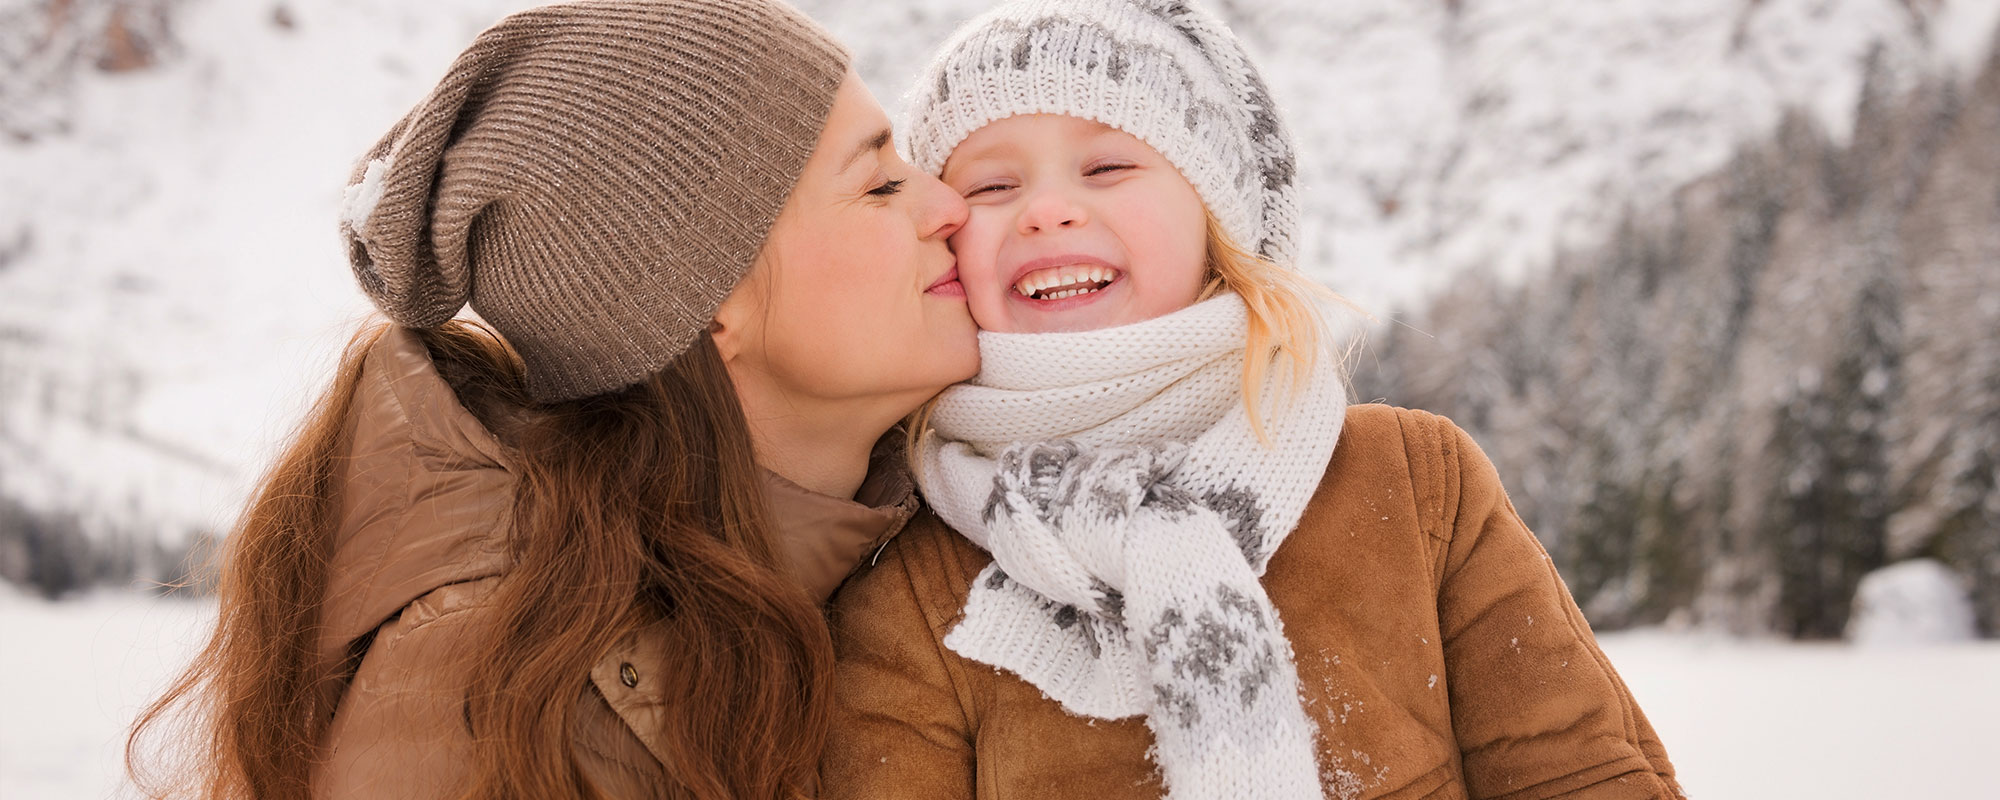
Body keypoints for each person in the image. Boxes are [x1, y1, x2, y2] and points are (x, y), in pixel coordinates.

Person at [821, 1, 1684, 798]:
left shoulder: (1416, 486)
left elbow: (1578, 773)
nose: (1047, 210)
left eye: (1109, 164)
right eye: (991, 187)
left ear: (1218, 223)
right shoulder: (914, 584)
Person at [126, 1, 975, 798]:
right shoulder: (487, 693)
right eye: (878, 185)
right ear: (709, 307)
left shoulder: (942, 531)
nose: (949, 204)